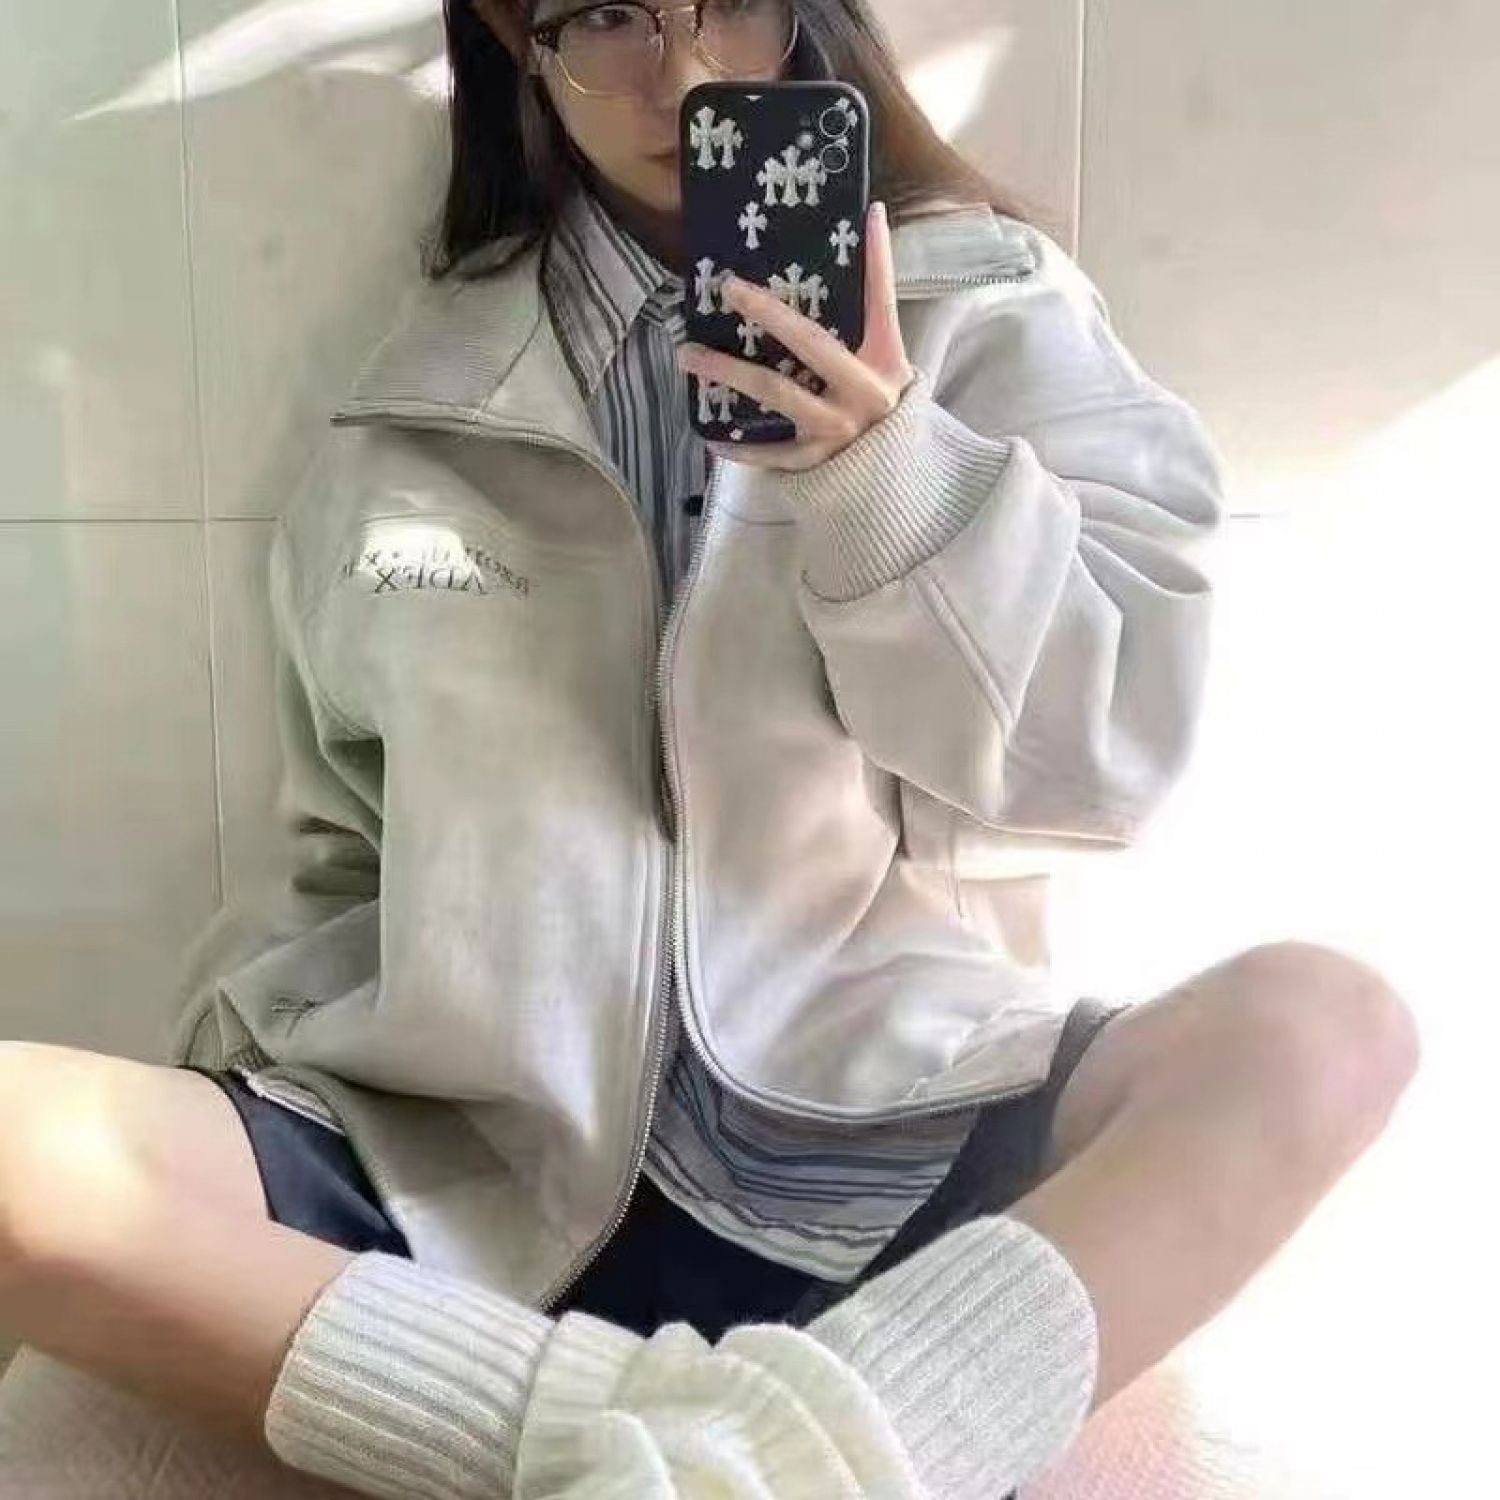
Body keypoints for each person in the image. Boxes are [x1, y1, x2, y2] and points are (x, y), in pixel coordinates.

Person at [0, 2, 1421, 1497]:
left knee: (1328, 1027)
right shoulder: (413, 408)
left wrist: (883, 473)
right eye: (609, 16)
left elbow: (1105, 761)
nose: (684, 78)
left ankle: (673, 1444)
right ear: (520, 42)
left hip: (890, 1133)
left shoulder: (992, 312)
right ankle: (751, 1455)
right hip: (468, 1159)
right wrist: (258, 1089)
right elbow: (341, 847)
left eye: (726, 1)